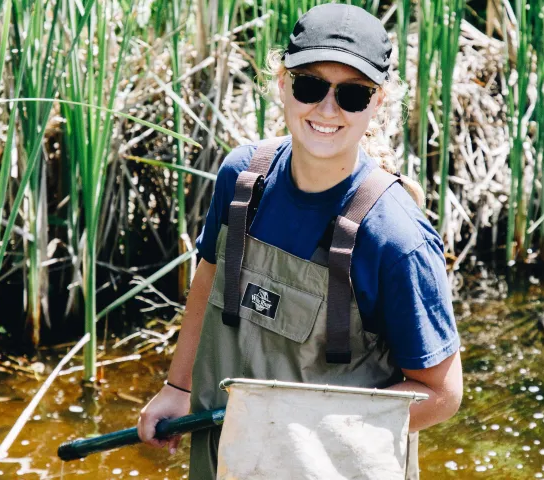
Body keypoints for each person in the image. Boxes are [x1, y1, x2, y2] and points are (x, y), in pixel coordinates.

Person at [137, 3, 463, 479]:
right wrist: (178, 387)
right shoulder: (242, 179)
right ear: (282, 83)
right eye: (310, 85)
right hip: (223, 459)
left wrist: (300, 425)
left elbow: (442, 394)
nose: (327, 110)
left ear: (376, 103)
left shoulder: (396, 237)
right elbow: (208, 279)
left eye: (352, 95)